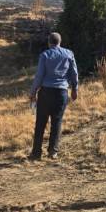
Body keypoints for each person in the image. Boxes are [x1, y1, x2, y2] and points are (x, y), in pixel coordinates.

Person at [27, 32, 78, 160]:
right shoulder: (69, 54)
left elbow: (39, 76)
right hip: (61, 92)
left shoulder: (45, 55)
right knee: (57, 121)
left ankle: (36, 153)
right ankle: (53, 151)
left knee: (40, 123)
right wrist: (74, 89)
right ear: (60, 42)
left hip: (45, 92)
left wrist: (33, 92)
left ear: (49, 42)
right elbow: (74, 73)